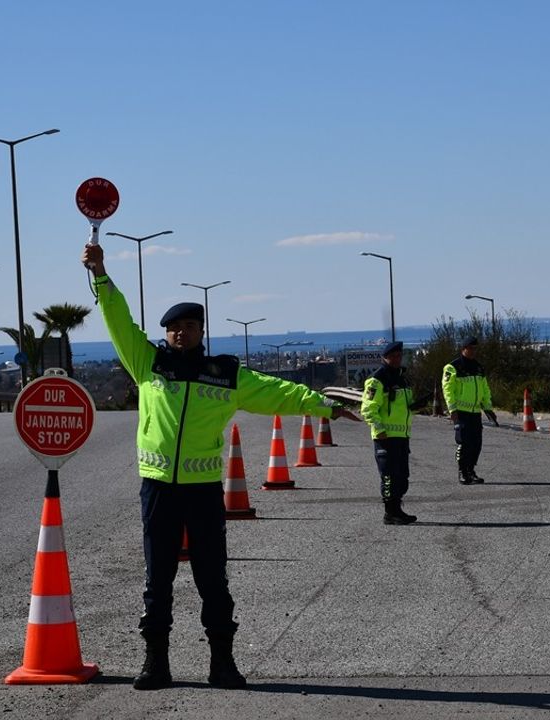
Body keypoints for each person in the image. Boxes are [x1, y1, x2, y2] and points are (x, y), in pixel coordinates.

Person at [81, 243, 358, 691]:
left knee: (212, 577)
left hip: (204, 489)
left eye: (189, 326)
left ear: (201, 330)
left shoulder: (224, 374)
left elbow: (276, 391)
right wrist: (100, 275)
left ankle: (222, 664)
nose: (180, 334)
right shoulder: (147, 363)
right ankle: (156, 663)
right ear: (165, 332)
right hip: (157, 489)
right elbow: (117, 319)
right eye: (173, 327)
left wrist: (323, 405)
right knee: (158, 578)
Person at [361, 341, 427, 525]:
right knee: (389, 476)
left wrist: (417, 407)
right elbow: (367, 409)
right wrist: (380, 429)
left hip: (402, 436)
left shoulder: (402, 379)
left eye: (399, 356)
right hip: (385, 437)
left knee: (402, 477)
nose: (397, 359)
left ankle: (397, 510)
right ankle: (390, 513)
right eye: (393, 356)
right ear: (385, 357)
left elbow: (403, 408)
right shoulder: (377, 380)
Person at [441, 336, 497, 484]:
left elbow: (484, 389)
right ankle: (462, 471)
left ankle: (471, 470)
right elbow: (448, 390)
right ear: (463, 348)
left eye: (474, 348)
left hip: (475, 412)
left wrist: (488, 408)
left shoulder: (478, 367)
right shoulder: (453, 367)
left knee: (476, 443)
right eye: (470, 348)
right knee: (464, 443)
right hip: (461, 412)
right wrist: (452, 409)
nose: (473, 351)